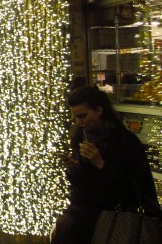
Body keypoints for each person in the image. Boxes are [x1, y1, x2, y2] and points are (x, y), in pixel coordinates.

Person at [52, 85, 162, 244]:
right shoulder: (81, 138)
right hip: (87, 219)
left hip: (119, 220)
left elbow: (136, 189)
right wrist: (73, 168)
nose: (79, 122)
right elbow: (83, 189)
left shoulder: (125, 141)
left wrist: (101, 164)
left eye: (83, 116)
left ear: (99, 110)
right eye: (75, 118)